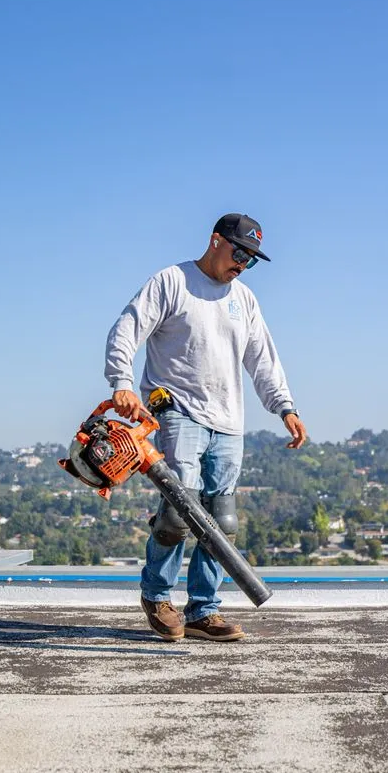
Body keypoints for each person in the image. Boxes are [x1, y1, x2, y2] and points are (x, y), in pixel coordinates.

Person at [104, 212, 307, 642]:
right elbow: (127, 328)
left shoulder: (244, 300)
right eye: (240, 253)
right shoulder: (172, 282)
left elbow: (262, 359)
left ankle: (203, 611)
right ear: (216, 240)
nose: (243, 265)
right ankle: (157, 595)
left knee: (222, 521)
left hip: (229, 420)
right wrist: (122, 381)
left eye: (251, 260)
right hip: (178, 410)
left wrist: (283, 406)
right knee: (179, 513)